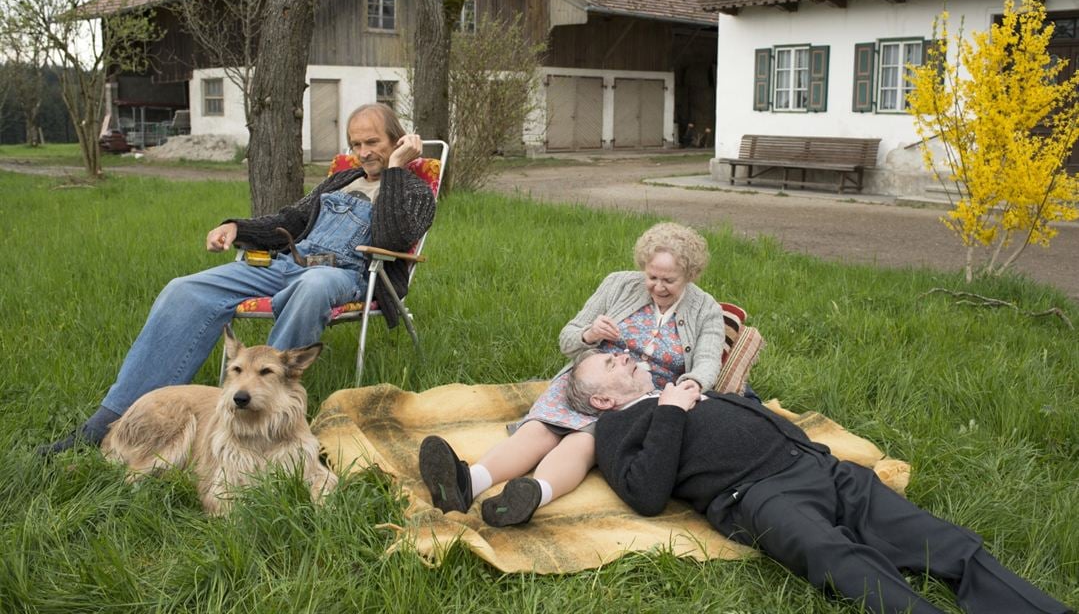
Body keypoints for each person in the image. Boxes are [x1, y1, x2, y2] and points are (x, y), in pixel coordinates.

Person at [40, 103, 437, 455]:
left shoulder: (415, 190)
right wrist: (236, 227)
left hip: (346, 274)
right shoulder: (338, 181)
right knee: (185, 290)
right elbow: (290, 220)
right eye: (356, 144)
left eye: (373, 142)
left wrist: (398, 169)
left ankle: (258, 420)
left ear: (397, 140)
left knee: (311, 286)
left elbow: (392, 237)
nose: (364, 153)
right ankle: (111, 420)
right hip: (286, 264)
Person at [567, 351, 1072, 614]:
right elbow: (646, 494)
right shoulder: (614, 429)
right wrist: (672, 414)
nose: (625, 357)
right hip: (758, 494)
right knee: (837, 559)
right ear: (603, 401)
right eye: (610, 364)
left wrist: (722, 395)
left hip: (818, 464)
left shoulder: (678, 387)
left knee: (944, 542)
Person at [420, 222, 744, 528]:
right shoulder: (618, 283)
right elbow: (568, 338)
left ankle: (532, 495)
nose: (657, 287)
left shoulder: (706, 309)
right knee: (542, 427)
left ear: (689, 274)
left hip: (638, 396)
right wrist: (589, 334)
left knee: (586, 440)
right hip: (592, 374)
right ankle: (467, 482)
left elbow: (706, 362)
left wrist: (692, 384)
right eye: (652, 277)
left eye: (668, 281)